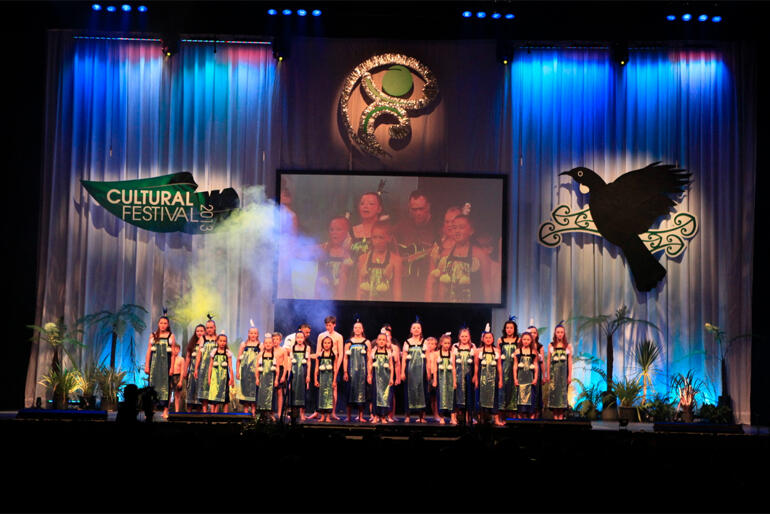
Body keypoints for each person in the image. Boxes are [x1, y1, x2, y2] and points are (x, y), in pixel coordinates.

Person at [427, 212, 492, 303]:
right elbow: (441, 286)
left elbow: (486, 286)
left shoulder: (480, 255)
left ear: (471, 231)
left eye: (461, 227)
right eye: (454, 228)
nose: (457, 231)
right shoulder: (445, 255)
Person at [393, 190, 439, 301]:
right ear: (409, 209)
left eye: (421, 209)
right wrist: (399, 259)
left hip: (429, 282)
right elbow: (388, 243)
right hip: (406, 284)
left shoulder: (438, 227)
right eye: (414, 209)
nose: (418, 213)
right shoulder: (401, 226)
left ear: (428, 207)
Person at [356, 221, 403, 301]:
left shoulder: (395, 260)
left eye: (381, 237)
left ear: (389, 238)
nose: (377, 241)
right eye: (374, 237)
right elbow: (359, 288)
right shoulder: (363, 258)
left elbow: (397, 290)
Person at [425, 206, 461, 301]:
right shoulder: (438, 246)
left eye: (452, 222)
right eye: (447, 222)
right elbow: (431, 277)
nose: (449, 225)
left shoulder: (466, 246)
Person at [144, 314, 175, 419]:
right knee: (152, 387)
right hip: (154, 365)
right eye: (161, 323)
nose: (163, 325)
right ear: (158, 324)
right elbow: (148, 351)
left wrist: (172, 367)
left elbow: (173, 354)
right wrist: (147, 365)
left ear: (168, 325)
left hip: (166, 365)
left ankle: (166, 410)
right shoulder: (153, 335)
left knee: (166, 387)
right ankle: (150, 410)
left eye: (165, 323)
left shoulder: (171, 336)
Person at [316, 216, 354, 300]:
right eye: (331, 229)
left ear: (347, 232)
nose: (334, 232)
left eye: (339, 229)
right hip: (324, 297)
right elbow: (319, 277)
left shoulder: (351, 252)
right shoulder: (325, 248)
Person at [316, 316, 345, 420]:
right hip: (323, 364)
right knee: (322, 388)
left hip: (334, 364)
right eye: (327, 325)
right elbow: (318, 352)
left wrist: (337, 367)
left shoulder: (338, 336)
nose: (328, 327)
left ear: (334, 325)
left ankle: (332, 412)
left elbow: (341, 353)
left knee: (333, 388)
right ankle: (320, 412)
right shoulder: (321, 335)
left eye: (330, 325)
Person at [343, 320, 371, 422]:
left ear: (362, 329)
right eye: (355, 327)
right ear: (353, 330)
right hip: (351, 371)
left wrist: (369, 374)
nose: (357, 329)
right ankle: (348, 416)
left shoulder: (366, 342)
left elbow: (369, 359)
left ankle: (361, 416)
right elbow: (345, 358)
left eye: (359, 327)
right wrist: (345, 372)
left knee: (362, 393)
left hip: (362, 372)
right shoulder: (348, 342)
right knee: (349, 392)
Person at [401, 320, 427, 423]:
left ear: (421, 330)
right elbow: (404, 358)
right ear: (411, 330)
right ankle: (408, 415)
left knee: (421, 392)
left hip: (421, 371)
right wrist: (402, 372)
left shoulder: (424, 342)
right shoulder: (407, 342)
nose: (416, 329)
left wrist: (428, 372)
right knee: (409, 392)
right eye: (414, 328)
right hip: (410, 371)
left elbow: (428, 358)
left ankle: (421, 416)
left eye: (418, 328)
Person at [476, 329, 503, 425]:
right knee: (481, 398)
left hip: (493, 379)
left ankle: (496, 419)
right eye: (486, 338)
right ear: (483, 339)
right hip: (482, 378)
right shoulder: (478, 351)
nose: (488, 339)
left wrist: (500, 380)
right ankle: (481, 418)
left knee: (494, 398)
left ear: (493, 339)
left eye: (490, 338)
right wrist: (475, 378)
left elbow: (499, 366)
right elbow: (476, 366)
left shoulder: (497, 351)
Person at [546, 324, 573, 420]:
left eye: (561, 332)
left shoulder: (567, 346)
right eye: (558, 332)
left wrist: (569, 376)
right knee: (554, 395)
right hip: (554, 375)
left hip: (563, 375)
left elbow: (570, 361)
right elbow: (548, 361)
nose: (560, 334)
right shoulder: (551, 345)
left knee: (562, 395)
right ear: (555, 333)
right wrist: (548, 375)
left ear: (564, 333)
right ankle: (555, 416)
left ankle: (561, 416)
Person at [367, 332, 394, 424]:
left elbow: (391, 365)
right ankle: (375, 416)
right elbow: (370, 364)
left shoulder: (388, 352)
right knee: (375, 396)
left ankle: (383, 416)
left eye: (383, 340)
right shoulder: (373, 352)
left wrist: (391, 378)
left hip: (386, 378)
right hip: (376, 377)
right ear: (377, 341)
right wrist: (369, 375)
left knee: (385, 397)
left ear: (386, 342)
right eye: (380, 340)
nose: (381, 341)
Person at [195, 317, 218, 413]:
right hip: (204, 367)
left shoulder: (218, 338)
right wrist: (196, 368)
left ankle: (214, 413)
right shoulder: (202, 338)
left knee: (215, 390)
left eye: (211, 327)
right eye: (207, 328)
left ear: (214, 328)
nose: (209, 329)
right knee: (204, 388)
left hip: (216, 368)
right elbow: (199, 355)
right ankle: (205, 413)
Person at [453, 327, 476, 425]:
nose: (464, 338)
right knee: (458, 395)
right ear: (459, 337)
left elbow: (476, 363)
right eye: (462, 336)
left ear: (469, 337)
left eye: (466, 336)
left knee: (469, 395)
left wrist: (475, 375)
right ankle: (457, 416)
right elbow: (453, 363)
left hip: (469, 375)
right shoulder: (455, 346)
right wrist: (454, 378)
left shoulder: (472, 346)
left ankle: (469, 416)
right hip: (458, 375)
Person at [497, 318, 519, 421]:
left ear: (514, 329)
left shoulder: (518, 340)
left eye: (511, 328)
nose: (509, 330)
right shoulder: (500, 340)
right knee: (502, 392)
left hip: (514, 370)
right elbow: (498, 356)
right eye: (507, 328)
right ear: (504, 329)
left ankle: (512, 419)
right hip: (503, 369)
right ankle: (501, 418)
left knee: (513, 392)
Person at [514, 332, 539, 419]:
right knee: (520, 401)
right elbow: (515, 366)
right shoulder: (517, 351)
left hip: (530, 380)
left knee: (531, 400)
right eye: (524, 339)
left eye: (528, 339)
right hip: (520, 380)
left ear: (531, 340)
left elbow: (536, 365)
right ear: (521, 340)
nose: (526, 341)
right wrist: (515, 379)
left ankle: (531, 421)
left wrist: (535, 378)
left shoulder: (534, 352)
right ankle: (521, 420)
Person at [207, 333, 234, 413]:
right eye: (221, 341)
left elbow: (230, 367)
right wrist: (209, 378)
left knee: (225, 398)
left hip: (224, 378)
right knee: (214, 397)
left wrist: (232, 378)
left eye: (224, 341)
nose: (222, 343)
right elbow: (210, 366)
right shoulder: (214, 352)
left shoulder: (227, 353)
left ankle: (225, 416)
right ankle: (213, 415)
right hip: (215, 378)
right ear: (217, 341)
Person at [287, 331, 311, 421]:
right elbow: (290, 362)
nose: (300, 339)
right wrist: (289, 375)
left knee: (302, 392)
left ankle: (302, 413)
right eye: (298, 337)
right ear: (296, 338)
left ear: (304, 338)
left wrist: (308, 375)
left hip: (303, 373)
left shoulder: (307, 348)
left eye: (301, 337)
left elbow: (308, 362)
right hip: (294, 373)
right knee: (294, 392)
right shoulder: (292, 348)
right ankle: (293, 413)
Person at [236, 325, 260, 415]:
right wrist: (237, 372)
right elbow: (238, 359)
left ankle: (253, 414)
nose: (253, 335)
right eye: (251, 333)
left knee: (254, 393)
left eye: (255, 333)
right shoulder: (244, 344)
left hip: (255, 373)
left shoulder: (260, 345)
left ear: (257, 334)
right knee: (245, 393)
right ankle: (245, 414)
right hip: (245, 372)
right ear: (248, 334)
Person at [433, 333, 456, 424]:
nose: (447, 345)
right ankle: (442, 417)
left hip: (450, 379)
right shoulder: (436, 354)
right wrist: (435, 380)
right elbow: (435, 368)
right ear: (441, 343)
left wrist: (454, 381)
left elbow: (453, 368)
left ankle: (452, 417)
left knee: (451, 397)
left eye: (448, 343)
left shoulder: (452, 354)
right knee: (441, 397)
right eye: (445, 343)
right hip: (441, 379)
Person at [315, 336, 338, 423]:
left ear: (331, 344)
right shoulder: (320, 355)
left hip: (330, 379)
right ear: (322, 344)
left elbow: (335, 369)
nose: (327, 344)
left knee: (329, 397)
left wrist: (334, 380)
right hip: (321, 378)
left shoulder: (333, 355)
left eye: (328, 343)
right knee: (321, 397)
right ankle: (322, 416)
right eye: (325, 343)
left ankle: (328, 416)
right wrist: (316, 379)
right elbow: (316, 368)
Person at [256, 335, 278, 421]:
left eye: (270, 343)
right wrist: (257, 378)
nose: (268, 344)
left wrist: (276, 379)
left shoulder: (274, 355)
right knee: (261, 396)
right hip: (262, 379)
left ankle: (271, 414)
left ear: (272, 344)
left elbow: (277, 368)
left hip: (271, 379)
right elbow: (257, 367)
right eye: (266, 343)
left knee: (271, 396)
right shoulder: (260, 354)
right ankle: (261, 414)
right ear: (264, 344)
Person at [381, 324, 401, 422]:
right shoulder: (376, 346)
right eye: (384, 335)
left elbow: (397, 363)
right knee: (379, 394)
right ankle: (378, 415)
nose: (385, 337)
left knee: (391, 395)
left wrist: (398, 377)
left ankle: (390, 415)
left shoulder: (394, 347)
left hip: (390, 375)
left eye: (387, 335)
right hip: (379, 374)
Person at [184, 324, 205, 412]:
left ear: (205, 332)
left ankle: (199, 415)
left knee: (200, 393)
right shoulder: (192, 343)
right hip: (192, 372)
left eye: (201, 331)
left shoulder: (206, 343)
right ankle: (188, 414)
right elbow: (188, 357)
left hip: (203, 372)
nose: (199, 333)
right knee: (190, 392)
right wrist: (185, 370)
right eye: (197, 331)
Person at [528, 325, 546, 418]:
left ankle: (535, 413)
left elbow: (542, 362)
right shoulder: (524, 345)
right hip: (526, 371)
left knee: (536, 391)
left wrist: (544, 375)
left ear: (537, 334)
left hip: (536, 370)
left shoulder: (540, 346)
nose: (533, 334)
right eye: (530, 332)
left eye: (534, 332)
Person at [424, 336, 439, 421]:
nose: (430, 345)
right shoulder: (424, 354)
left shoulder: (436, 354)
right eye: (429, 343)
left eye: (432, 344)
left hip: (434, 376)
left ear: (436, 345)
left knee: (434, 397)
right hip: (425, 376)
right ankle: (423, 416)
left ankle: (436, 414)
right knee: (425, 397)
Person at [169, 341, 185, 413]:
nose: (176, 350)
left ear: (179, 350)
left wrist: (180, 381)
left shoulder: (181, 359)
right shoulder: (169, 358)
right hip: (170, 376)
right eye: (174, 349)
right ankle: (167, 410)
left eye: (177, 349)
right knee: (168, 395)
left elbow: (182, 371)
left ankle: (177, 411)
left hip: (178, 376)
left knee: (177, 395)